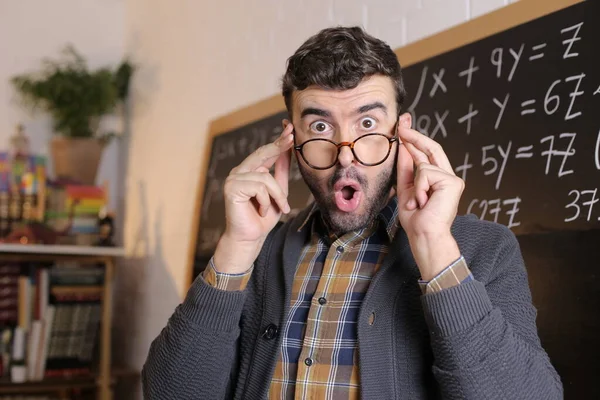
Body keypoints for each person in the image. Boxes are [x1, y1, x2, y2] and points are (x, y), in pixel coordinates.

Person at [142, 27, 562, 400]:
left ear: (402, 133)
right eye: (320, 128)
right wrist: (236, 249)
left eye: (367, 123)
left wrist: (436, 250)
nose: (347, 157)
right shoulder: (255, 252)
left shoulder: (484, 249)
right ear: (291, 138)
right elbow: (169, 391)